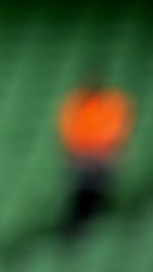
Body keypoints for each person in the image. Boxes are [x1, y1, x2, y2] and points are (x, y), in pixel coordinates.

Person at [57, 70, 134, 235]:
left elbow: (117, 129)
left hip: (102, 157)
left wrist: (106, 151)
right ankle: (78, 228)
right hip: (82, 157)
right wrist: (77, 153)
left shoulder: (111, 102)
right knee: (80, 195)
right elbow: (68, 128)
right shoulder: (76, 102)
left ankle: (106, 226)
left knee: (102, 192)